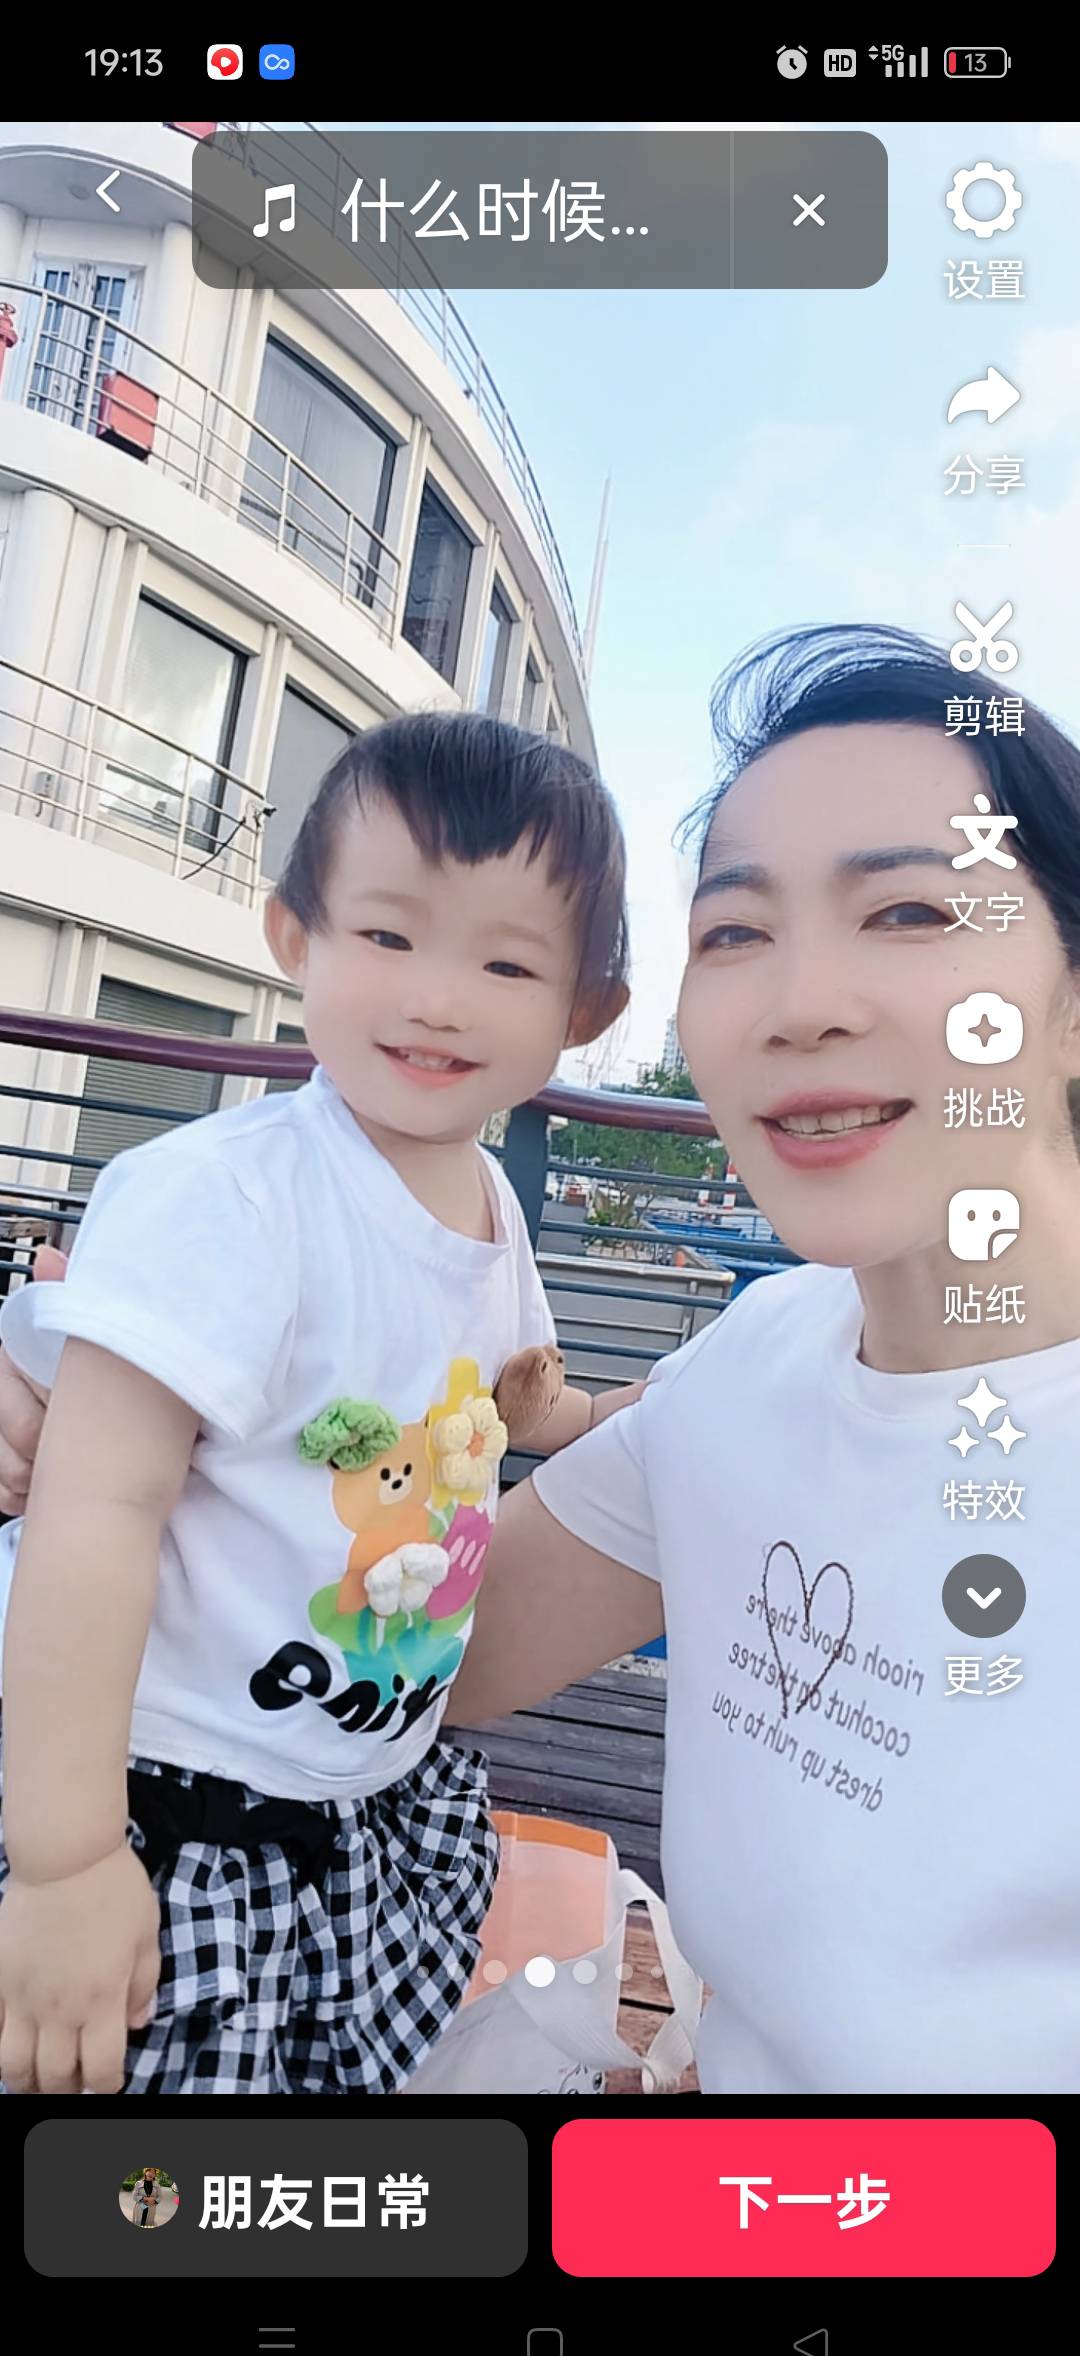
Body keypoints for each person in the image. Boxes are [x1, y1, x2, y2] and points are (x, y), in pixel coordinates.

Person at [450, 625, 1080, 2094]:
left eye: (912, 912)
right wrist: (141, 1426)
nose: (801, 1005)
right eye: (735, 931)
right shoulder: (754, 1365)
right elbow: (429, 1653)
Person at [0, 711, 639, 2098]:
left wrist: (596, 1420)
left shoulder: (486, 1198)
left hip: (349, 1780)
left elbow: (499, 1397)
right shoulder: (231, 1200)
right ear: (296, 937)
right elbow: (92, 1512)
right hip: (158, 1797)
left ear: (582, 1013)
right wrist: (63, 1859)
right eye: (389, 936)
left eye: (506, 962)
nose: (438, 998)